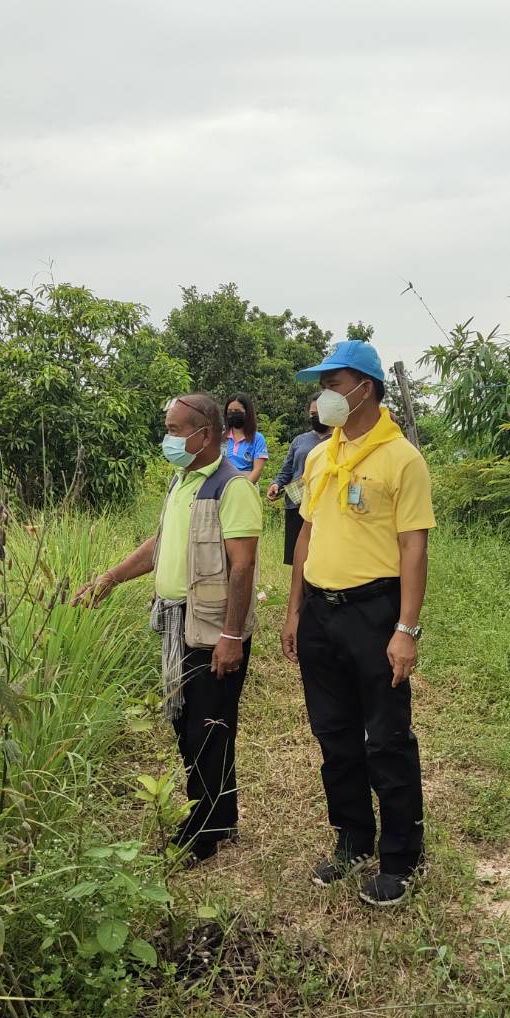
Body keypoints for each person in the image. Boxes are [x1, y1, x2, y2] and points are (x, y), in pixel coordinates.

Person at [74, 393, 262, 863]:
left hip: (211, 629)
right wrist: (109, 578)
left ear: (204, 433)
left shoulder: (232, 488)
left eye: (175, 430)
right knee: (188, 724)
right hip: (178, 623)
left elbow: (242, 566)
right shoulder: (182, 482)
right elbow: (160, 543)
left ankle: (204, 833)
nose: (168, 439)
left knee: (207, 729)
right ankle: (220, 816)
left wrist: (231, 636)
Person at [280, 339, 435, 907]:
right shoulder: (319, 456)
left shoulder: (401, 459)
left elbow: (413, 547)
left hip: (374, 610)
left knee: (386, 737)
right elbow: (306, 533)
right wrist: (295, 610)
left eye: (334, 384)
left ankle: (402, 856)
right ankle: (352, 837)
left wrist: (406, 629)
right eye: (322, 385)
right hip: (321, 611)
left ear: (365, 388)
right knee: (333, 733)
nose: (324, 395)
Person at [267, 394, 331, 565]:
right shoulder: (299, 440)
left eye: (319, 413)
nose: (316, 417)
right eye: (312, 414)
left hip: (324, 505)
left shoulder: (338, 440)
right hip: (296, 504)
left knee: (320, 556)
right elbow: (287, 470)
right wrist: (276, 484)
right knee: (297, 557)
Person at [222, 394, 268, 483]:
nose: (233, 414)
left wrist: (244, 487)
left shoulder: (257, 439)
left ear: (247, 413)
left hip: (246, 484)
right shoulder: (221, 437)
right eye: (230, 411)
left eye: (237, 411)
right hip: (221, 485)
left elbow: (257, 470)